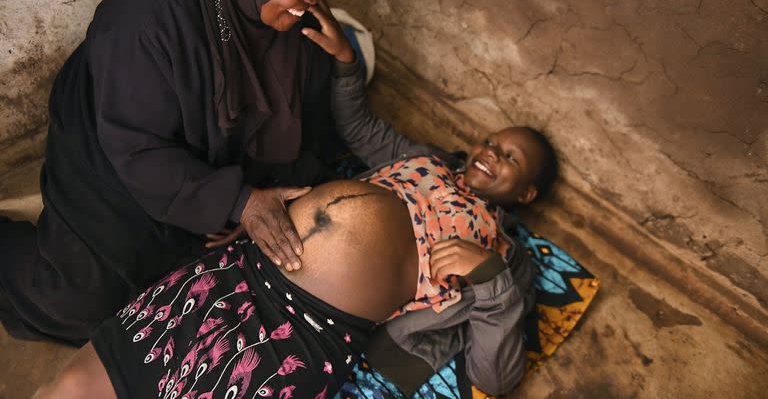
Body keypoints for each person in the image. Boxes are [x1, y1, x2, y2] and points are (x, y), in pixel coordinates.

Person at [32, 44, 557, 397]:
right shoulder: (427, 158)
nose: (491, 152)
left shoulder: (507, 260)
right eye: (492, 140)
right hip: (242, 267)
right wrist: (348, 63)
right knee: (76, 386)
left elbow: (498, 375)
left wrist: (489, 279)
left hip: (303, 333)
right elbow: (359, 125)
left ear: (527, 193)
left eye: (510, 158)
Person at [0, 0, 354, 346]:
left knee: (202, 288)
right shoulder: (146, 25)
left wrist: (254, 197)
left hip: (206, 164)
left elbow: (308, 135)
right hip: (113, 141)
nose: (310, 1)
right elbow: (138, 149)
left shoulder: (299, 31)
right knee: (81, 299)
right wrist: (241, 201)